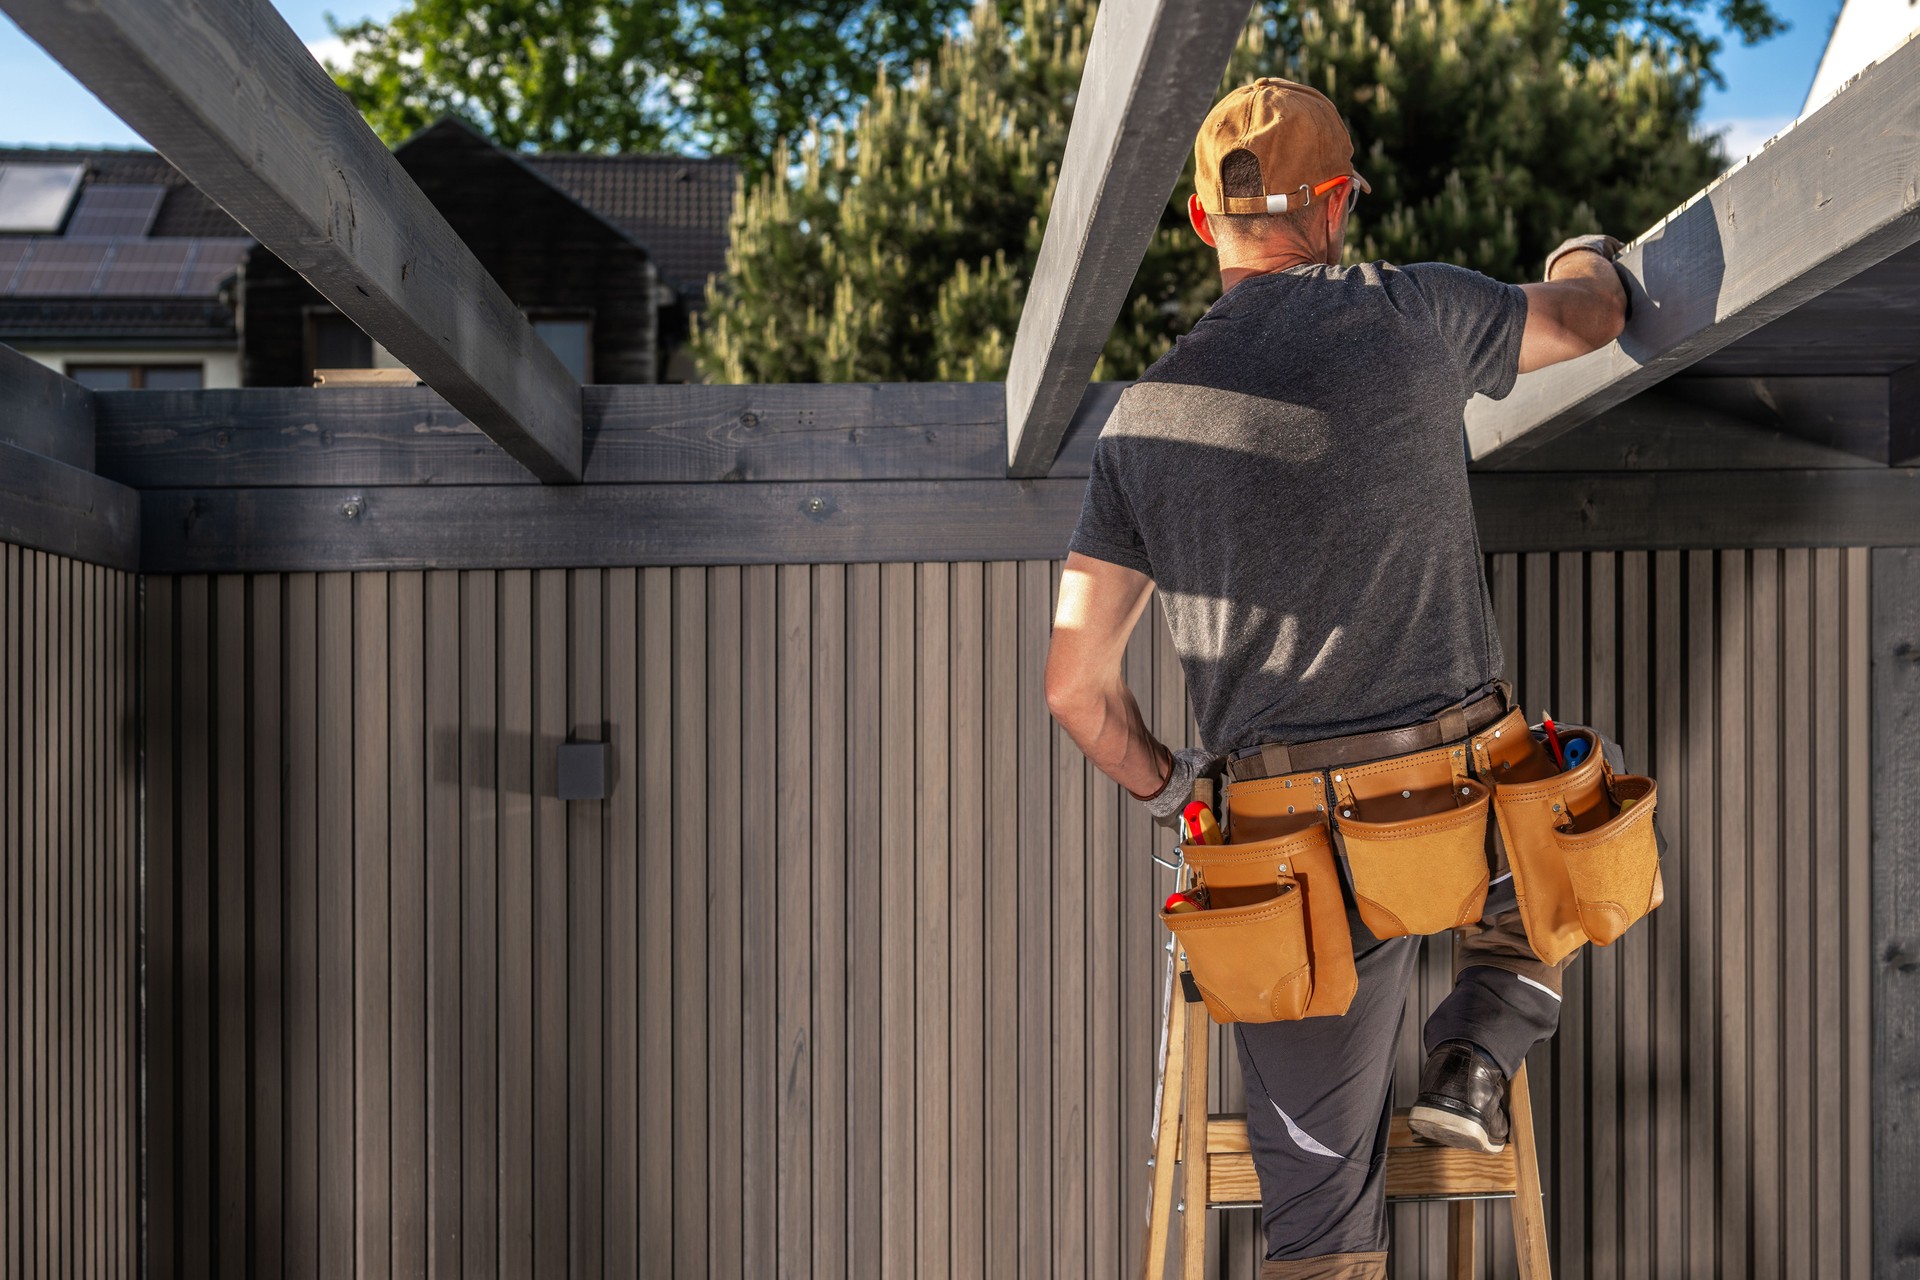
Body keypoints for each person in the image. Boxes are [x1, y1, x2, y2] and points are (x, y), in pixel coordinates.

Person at [1043, 78, 1628, 1279]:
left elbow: (1075, 688)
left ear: (1206, 225)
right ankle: (1477, 1050)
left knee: (1314, 1226)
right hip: (1461, 822)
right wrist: (1588, 255)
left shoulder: (1145, 421)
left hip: (1282, 861)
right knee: (1573, 788)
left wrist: (1176, 796)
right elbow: (1590, 315)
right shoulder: (1417, 314)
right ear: (1340, 201)